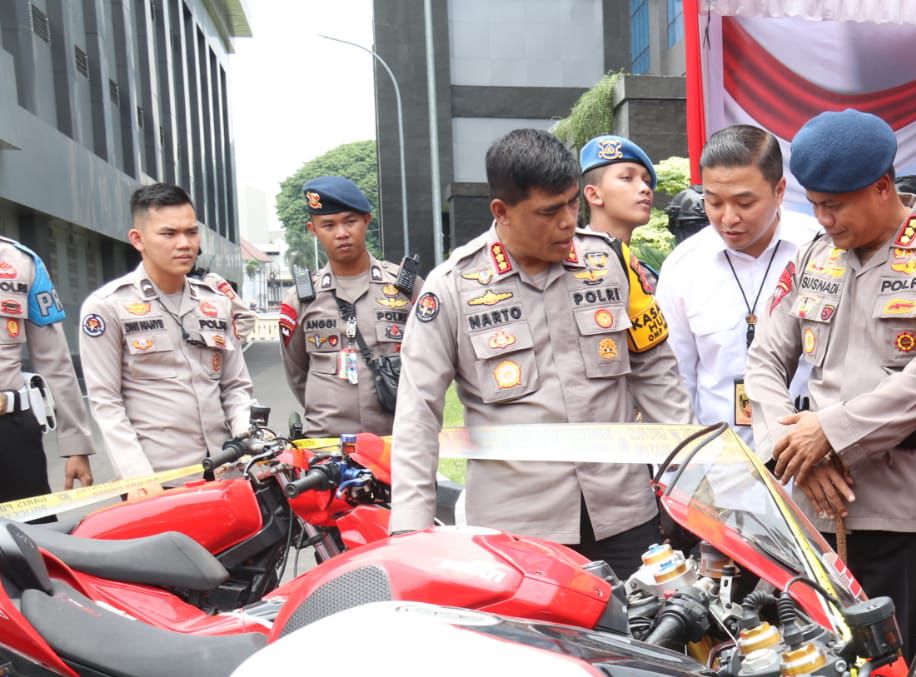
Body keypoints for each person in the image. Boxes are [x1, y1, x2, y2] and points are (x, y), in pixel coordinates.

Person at [388, 129, 689, 578]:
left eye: (571, 203)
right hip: (518, 530)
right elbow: (417, 412)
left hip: (624, 514)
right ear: (501, 211)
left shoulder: (608, 261)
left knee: (653, 621)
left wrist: (687, 485)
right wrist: (411, 531)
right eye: (549, 211)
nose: (567, 222)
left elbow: (657, 374)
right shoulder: (453, 287)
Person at [743, 108, 916, 642]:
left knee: (903, 675)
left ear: (882, 187)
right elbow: (764, 359)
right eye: (814, 205)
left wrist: (829, 433)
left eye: (834, 206)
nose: (824, 219)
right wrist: (794, 450)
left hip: (910, 516)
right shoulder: (813, 256)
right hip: (814, 510)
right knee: (813, 670)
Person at [79, 182, 255, 486]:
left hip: (227, 474)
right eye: (169, 234)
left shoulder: (215, 302)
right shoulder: (108, 306)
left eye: (191, 232)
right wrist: (138, 477)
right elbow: (106, 401)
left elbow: (235, 386)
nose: (184, 243)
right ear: (138, 239)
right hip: (159, 481)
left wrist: (247, 438)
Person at [655, 125, 819, 443]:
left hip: (807, 456)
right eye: (714, 203)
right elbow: (673, 379)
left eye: (744, 203)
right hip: (717, 460)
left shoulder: (819, 251)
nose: (728, 219)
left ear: (780, 190)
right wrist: (687, 460)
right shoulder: (684, 266)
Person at [278, 176, 415, 436]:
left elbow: (430, 358)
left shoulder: (405, 288)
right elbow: (297, 373)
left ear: (367, 220)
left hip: (395, 438)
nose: (341, 233)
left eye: (350, 221)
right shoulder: (300, 299)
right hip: (327, 442)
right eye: (328, 225)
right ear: (313, 229)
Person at [0, 236, 94, 501]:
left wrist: (76, 445)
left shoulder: (20, 261)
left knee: (28, 526)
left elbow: (54, 360)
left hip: (10, 431)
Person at [579, 134, 656, 246]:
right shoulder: (568, 256)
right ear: (594, 195)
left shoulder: (631, 258)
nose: (645, 189)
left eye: (647, 181)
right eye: (627, 178)